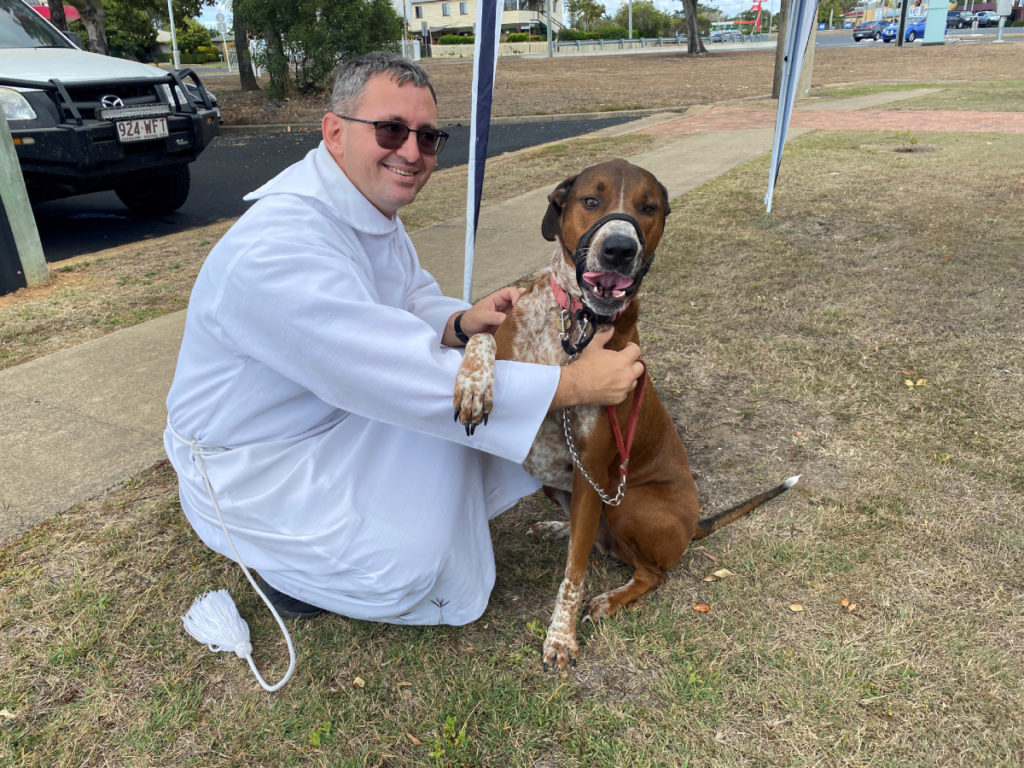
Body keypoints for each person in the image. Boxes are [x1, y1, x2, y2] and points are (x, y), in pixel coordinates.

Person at [164, 51, 643, 628]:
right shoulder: (279, 249)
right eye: (391, 129)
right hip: (264, 463)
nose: (412, 151)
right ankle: (285, 568)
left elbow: (408, 296)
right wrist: (570, 384)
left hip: (334, 416)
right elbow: (394, 373)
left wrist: (458, 323)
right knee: (410, 565)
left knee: (485, 441)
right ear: (334, 132)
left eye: (428, 136)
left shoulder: (361, 207)